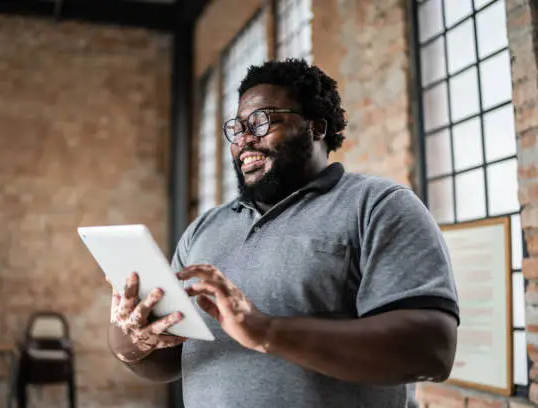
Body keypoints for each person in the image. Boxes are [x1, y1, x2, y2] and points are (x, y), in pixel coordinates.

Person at [107, 58, 459, 407]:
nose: (244, 139)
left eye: (261, 121)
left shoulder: (378, 206)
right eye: (238, 127)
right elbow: (175, 361)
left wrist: (267, 331)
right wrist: (132, 343)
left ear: (316, 128)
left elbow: (432, 350)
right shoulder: (203, 229)